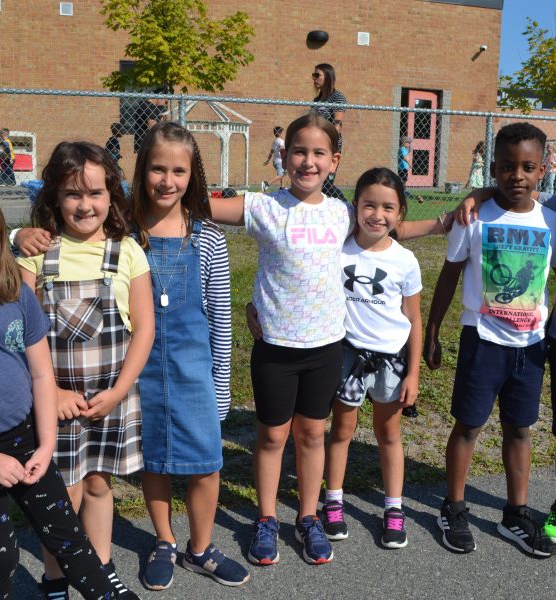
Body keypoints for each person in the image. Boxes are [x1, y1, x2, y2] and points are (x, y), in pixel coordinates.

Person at [216, 112, 450, 567]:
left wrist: (445, 219)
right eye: (299, 151)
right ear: (284, 155)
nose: (307, 161)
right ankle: (266, 520)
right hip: (276, 348)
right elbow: (201, 205)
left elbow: (393, 229)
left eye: (318, 153)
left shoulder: (343, 213)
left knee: (311, 435)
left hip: (326, 349)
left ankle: (307, 517)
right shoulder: (265, 207)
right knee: (270, 437)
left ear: (334, 160)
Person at [17, 141, 154, 598]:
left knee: (98, 486)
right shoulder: (36, 255)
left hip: (110, 399)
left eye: (95, 193)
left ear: (112, 196)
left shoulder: (127, 251)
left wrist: (119, 391)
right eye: (73, 194)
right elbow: (16, 335)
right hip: (54, 405)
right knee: (64, 498)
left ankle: (101, 569)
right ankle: (56, 577)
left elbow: (144, 331)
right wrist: (51, 392)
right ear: (54, 196)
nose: (85, 204)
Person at [0, 191, 133, 600]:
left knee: (70, 537)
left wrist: (46, 444)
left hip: (25, 438)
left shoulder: (16, 297)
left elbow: (41, 373)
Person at [424, 122, 556, 558]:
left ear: (543, 169)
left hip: (531, 345)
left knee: (519, 428)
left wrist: (555, 328)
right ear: (493, 169)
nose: (516, 175)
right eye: (506, 166)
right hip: (482, 339)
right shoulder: (474, 216)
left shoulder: (552, 222)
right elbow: (448, 275)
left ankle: (516, 514)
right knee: (469, 424)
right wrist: (431, 331)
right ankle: (455, 506)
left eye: (526, 167)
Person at [127, 121, 249, 590]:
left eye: (178, 170)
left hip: (195, 373)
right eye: (158, 168)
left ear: (191, 175)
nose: (167, 180)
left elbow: (220, 320)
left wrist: (221, 387)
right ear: (142, 170)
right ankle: (163, 540)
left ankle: (200, 548)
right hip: (139, 373)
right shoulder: (123, 233)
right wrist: (22, 240)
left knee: (206, 461)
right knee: (152, 460)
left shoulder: (208, 239)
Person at [320, 167, 422, 548]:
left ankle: (394, 509)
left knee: (388, 435)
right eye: (369, 205)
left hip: (390, 361)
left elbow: (413, 319)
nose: (377, 215)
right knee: (342, 431)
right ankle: (333, 501)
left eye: (388, 208)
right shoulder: (339, 248)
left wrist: (412, 374)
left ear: (400, 214)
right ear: (355, 206)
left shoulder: (405, 261)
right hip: (346, 356)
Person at [311, 63, 347, 200]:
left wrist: (332, 147)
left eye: (317, 75)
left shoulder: (337, 97)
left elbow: (337, 124)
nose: (314, 78)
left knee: (326, 183)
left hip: (330, 144)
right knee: (316, 181)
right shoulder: (317, 100)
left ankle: (347, 206)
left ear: (328, 77)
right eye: (313, 75)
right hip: (315, 145)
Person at [261, 126, 286, 192]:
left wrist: (267, 160)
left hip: (275, 161)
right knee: (281, 174)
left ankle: (282, 187)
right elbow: (282, 149)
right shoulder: (281, 141)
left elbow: (271, 152)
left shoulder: (274, 141)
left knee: (283, 173)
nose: (283, 134)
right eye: (282, 132)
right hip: (280, 161)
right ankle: (266, 184)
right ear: (279, 133)